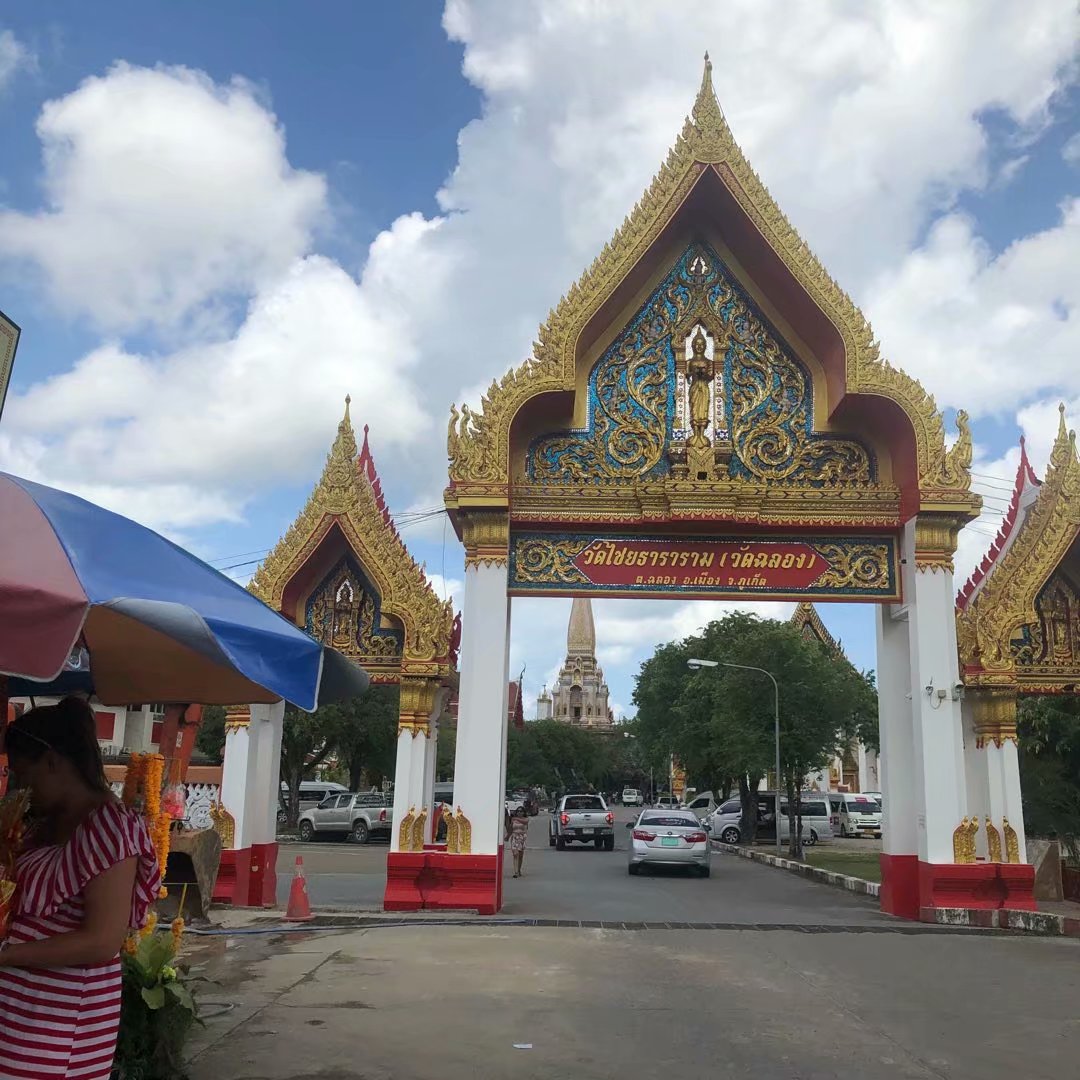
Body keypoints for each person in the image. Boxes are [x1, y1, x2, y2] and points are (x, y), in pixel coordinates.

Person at [0, 697, 161, 1080]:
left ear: (53, 762)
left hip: (61, 1024)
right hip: (16, 1010)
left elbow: (102, 941)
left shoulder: (112, 828)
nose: (20, 788)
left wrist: (6, 955)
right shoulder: (41, 825)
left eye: (25, 776)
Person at [507, 805, 529, 878]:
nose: (519, 813)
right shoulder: (513, 820)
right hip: (515, 837)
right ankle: (516, 872)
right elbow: (510, 829)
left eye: (521, 811)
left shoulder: (526, 819)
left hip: (522, 838)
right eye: (518, 811)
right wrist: (507, 837)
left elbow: (525, 822)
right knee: (515, 854)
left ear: (523, 812)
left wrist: (515, 818)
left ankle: (519, 870)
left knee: (520, 855)